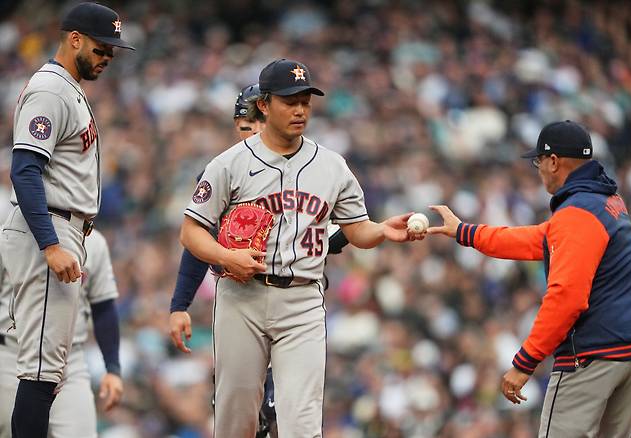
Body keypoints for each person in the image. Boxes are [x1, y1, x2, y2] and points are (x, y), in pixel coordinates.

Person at [179, 58, 421, 437]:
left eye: (306, 101)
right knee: (235, 418)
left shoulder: (332, 166)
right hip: (241, 298)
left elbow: (357, 231)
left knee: (302, 423)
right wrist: (226, 257)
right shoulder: (230, 164)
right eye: (290, 101)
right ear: (264, 104)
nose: (300, 110)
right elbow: (191, 232)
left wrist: (382, 232)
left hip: (303, 300)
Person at [429, 120, 631, 437]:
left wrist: (524, 363)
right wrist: (464, 232)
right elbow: (537, 239)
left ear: (554, 161)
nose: (537, 169)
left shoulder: (577, 211)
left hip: (596, 353)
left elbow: (567, 297)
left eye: (539, 161)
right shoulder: (604, 200)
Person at [169, 84, 350, 438]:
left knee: (289, 415)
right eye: (243, 126)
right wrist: (180, 304)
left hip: (295, 304)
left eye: (255, 124)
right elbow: (195, 241)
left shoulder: (308, 171)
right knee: (237, 416)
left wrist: (318, 244)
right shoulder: (225, 170)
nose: (250, 133)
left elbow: (340, 230)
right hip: (241, 303)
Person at [0, 3, 133, 437]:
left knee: (47, 372)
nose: (107, 57)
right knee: (40, 372)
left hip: (62, 227)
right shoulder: (51, 90)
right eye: (101, 48)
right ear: (74, 38)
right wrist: (50, 244)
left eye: (112, 51)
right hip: (50, 227)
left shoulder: (68, 88)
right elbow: (24, 169)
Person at [0, 229, 123, 438]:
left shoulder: (94, 242)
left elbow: (103, 307)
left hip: (69, 361)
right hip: (13, 355)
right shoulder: (12, 231)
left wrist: (112, 367)